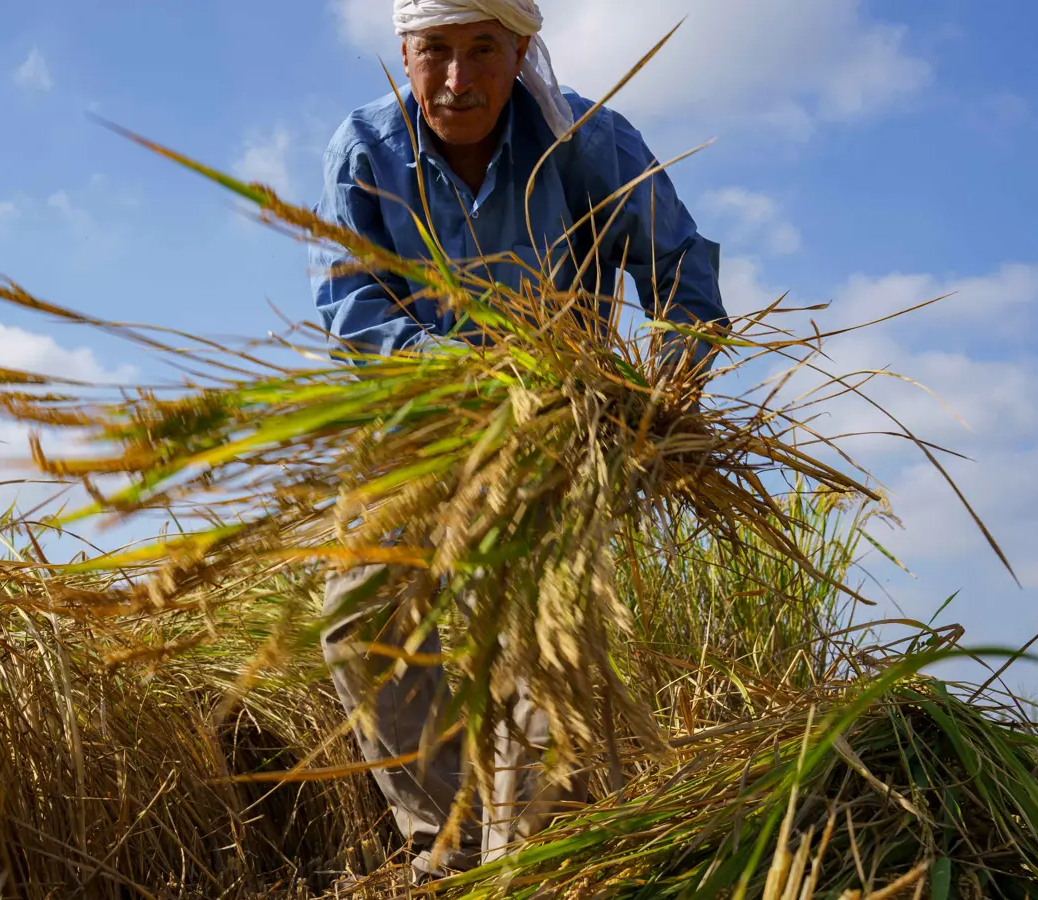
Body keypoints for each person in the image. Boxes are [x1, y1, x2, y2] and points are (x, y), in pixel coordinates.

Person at [309, 0, 728, 882]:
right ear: (404, 52)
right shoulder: (367, 150)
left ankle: (533, 860)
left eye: (482, 51)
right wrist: (455, 366)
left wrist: (663, 391)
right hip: (421, 425)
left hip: (554, 436)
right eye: (435, 53)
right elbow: (349, 304)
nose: (457, 81)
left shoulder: (585, 142)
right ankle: (446, 842)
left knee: (537, 645)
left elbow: (681, 270)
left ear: (521, 50)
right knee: (358, 616)